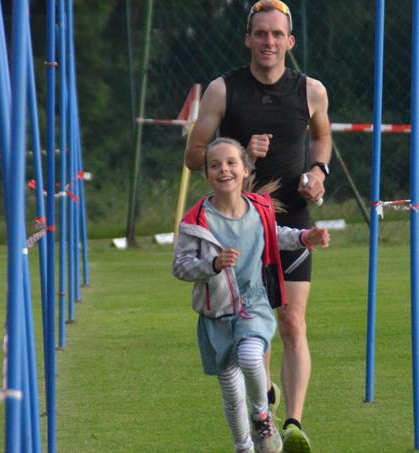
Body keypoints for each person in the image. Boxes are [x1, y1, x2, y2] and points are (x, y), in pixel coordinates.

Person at [184, 1, 331, 451]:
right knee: (253, 321)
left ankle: (293, 424)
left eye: (277, 34)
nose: (269, 42)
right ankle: (263, 400)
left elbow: (322, 135)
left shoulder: (311, 90)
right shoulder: (223, 90)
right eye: (261, 33)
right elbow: (193, 156)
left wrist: (319, 172)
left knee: (292, 321)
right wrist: (242, 156)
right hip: (241, 225)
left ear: (290, 41)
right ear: (248, 39)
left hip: (292, 216)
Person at [173, 138, 330, 453]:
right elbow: (180, 266)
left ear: (246, 169)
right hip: (217, 314)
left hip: (254, 305)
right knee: (232, 393)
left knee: (250, 357)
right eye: (215, 165)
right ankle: (243, 446)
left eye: (231, 162)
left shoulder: (259, 209)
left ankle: (262, 414)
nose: (224, 169)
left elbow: (275, 235)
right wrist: (212, 264)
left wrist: (304, 237)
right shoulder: (196, 220)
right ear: (207, 175)